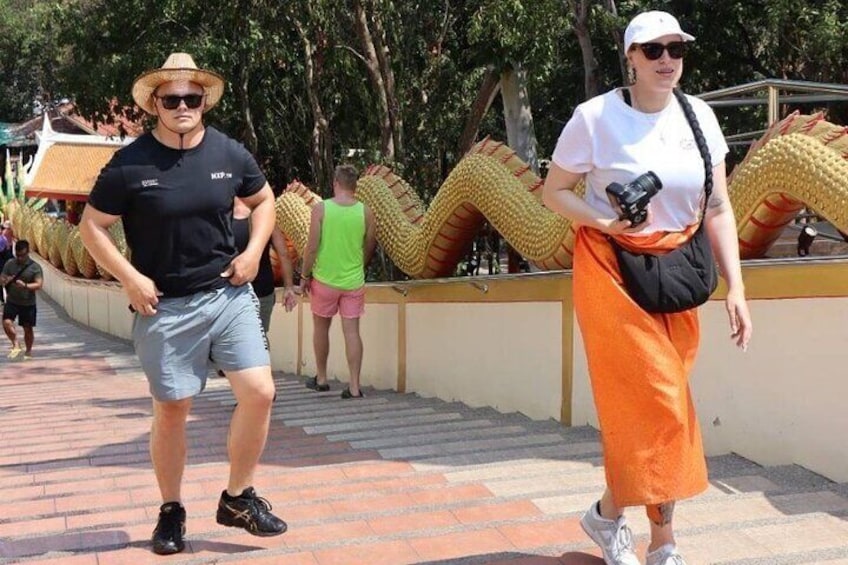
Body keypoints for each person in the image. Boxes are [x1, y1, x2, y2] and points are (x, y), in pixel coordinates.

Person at [542, 11, 752, 565]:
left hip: (678, 273)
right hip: (611, 269)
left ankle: (607, 515)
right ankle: (663, 545)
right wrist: (605, 221)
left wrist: (737, 286)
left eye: (676, 50)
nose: (667, 61)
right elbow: (553, 192)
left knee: (653, 411)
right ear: (630, 57)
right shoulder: (595, 118)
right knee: (662, 405)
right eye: (653, 50)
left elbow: (719, 206)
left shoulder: (700, 117)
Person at [80, 52, 287, 556]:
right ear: (155, 104)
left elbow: (265, 201)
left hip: (227, 294)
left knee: (260, 391)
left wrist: (255, 252)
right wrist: (129, 278)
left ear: (203, 102)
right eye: (171, 98)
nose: (181, 106)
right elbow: (90, 227)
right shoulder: (130, 164)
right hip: (164, 307)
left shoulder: (229, 153)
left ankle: (238, 497)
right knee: (172, 410)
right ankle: (171, 510)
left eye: (191, 97)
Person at [299, 164, 376, 398]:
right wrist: (358, 266)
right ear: (355, 187)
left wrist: (304, 276)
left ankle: (321, 378)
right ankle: (354, 387)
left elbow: (311, 247)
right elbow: (370, 244)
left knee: (321, 328)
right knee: (352, 332)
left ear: (335, 183)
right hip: (353, 281)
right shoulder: (366, 212)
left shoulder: (321, 209)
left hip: (324, 281)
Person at [232, 196, 297, 335]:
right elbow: (284, 253)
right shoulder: (266, 217)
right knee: (260, 339)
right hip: (263, 290)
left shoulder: (225, 215)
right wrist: (289, 287)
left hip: (232, 291)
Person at [1, 240, 43, 361]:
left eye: (22, 255)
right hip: (12, 300)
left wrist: (25, 285)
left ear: (28, 252)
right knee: (6, 323)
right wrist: (6, 279)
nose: (20, 258)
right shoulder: (10, 264)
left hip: (27, 302)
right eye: (17, 255)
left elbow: (39, 284)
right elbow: (2, 278)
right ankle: (15, 343)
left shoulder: (35, 267)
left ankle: (28, 351)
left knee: (27, 328)